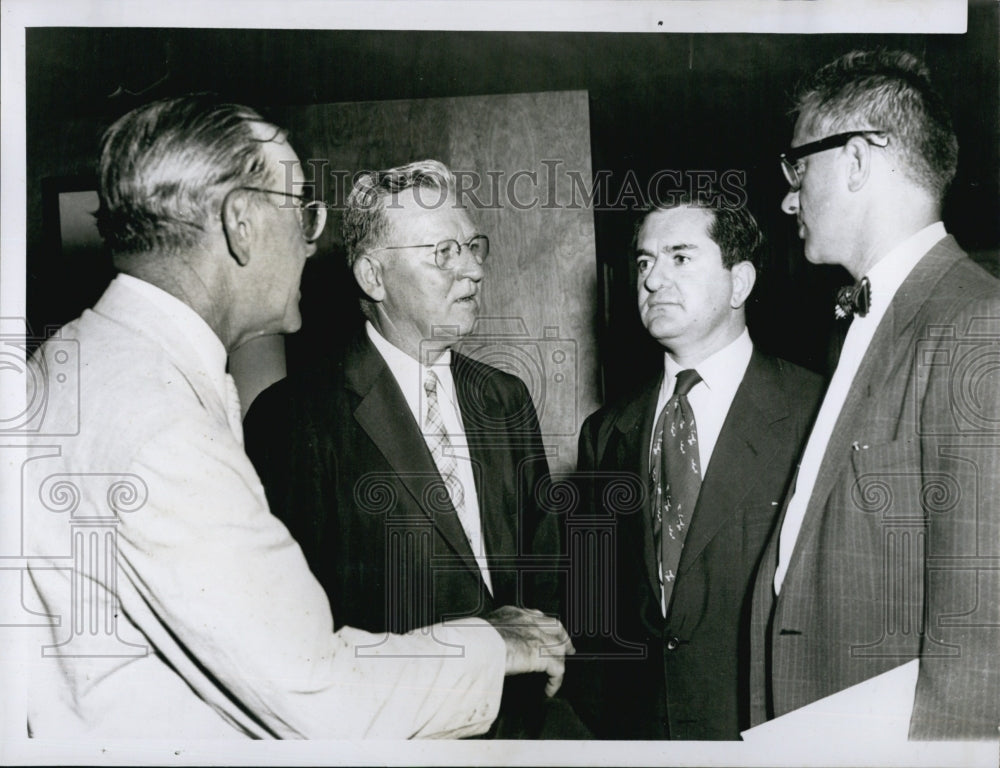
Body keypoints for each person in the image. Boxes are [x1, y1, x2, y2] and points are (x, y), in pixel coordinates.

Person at [22, 96, 572, 740]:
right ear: (241, 224)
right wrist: (493, 645)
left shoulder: (70, 365)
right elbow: (316, 692)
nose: (313, 244)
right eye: (303, 212)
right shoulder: (166, 429)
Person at [244, 159, 581, 738]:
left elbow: (543, 563)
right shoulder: (294, 417)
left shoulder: (505, 398)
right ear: (373, 278)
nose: (473, 269)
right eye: (443, 253)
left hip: (523, 725)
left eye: (474, 246)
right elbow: (291, 633)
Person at [749, 49, 1000, 739]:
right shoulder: (869, 321)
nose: (788, 197)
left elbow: (981, 647)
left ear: (857, 159)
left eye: (797, 167)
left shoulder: (976, 324)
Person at [565, 193, 823, 739]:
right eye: (644, 262)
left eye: (680, 257)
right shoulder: (606, 433)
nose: (654, 280)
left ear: (740, 282)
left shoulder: (814, 412)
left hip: (767, 730)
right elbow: (590, 613)